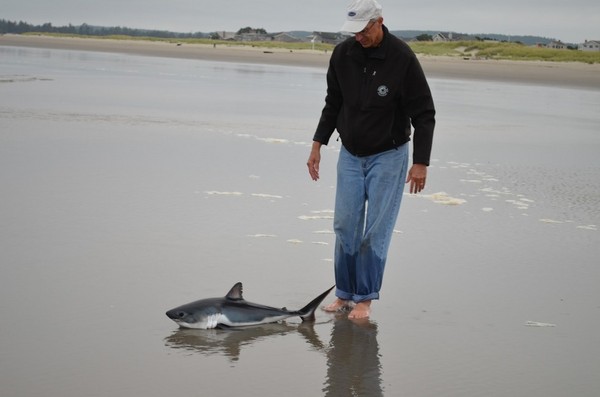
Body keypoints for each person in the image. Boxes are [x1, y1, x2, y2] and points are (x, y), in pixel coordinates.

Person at [306, 0, 436, 319]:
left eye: (364, 30)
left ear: (379, 22)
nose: (359, 37)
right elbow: (332, 103)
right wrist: (317, 143)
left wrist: (421, 162)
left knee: (375, 230)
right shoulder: (342, 55)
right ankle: (345, 293)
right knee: (344, 225)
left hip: (389, 155)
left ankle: (364, 299)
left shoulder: (402, 58)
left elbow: (425, 114)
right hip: (350, 152)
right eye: (354, 32)